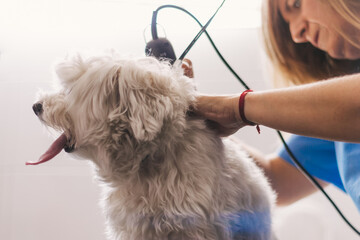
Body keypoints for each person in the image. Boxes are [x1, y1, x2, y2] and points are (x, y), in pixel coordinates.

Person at [189, 0, 360, 211]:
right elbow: (275, 180)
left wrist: (237, 108)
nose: (296, 33)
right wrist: (197, 122)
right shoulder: (335, 111)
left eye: (295, 4)